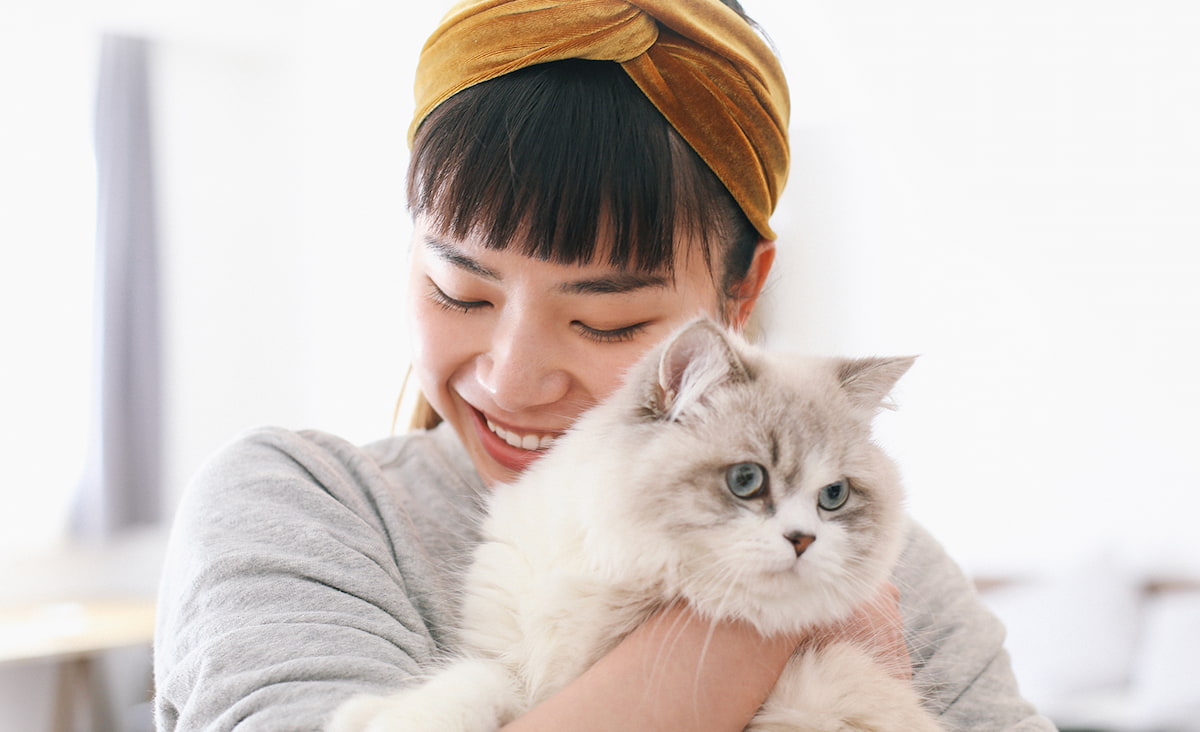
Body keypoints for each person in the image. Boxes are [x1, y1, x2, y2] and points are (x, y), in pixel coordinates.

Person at [153, 0, 1057, 729]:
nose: (511, 380)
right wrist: (770, 628)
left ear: (741, 299)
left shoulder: (889, 560)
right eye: (461, 293)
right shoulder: (297, 506)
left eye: (606, 320)